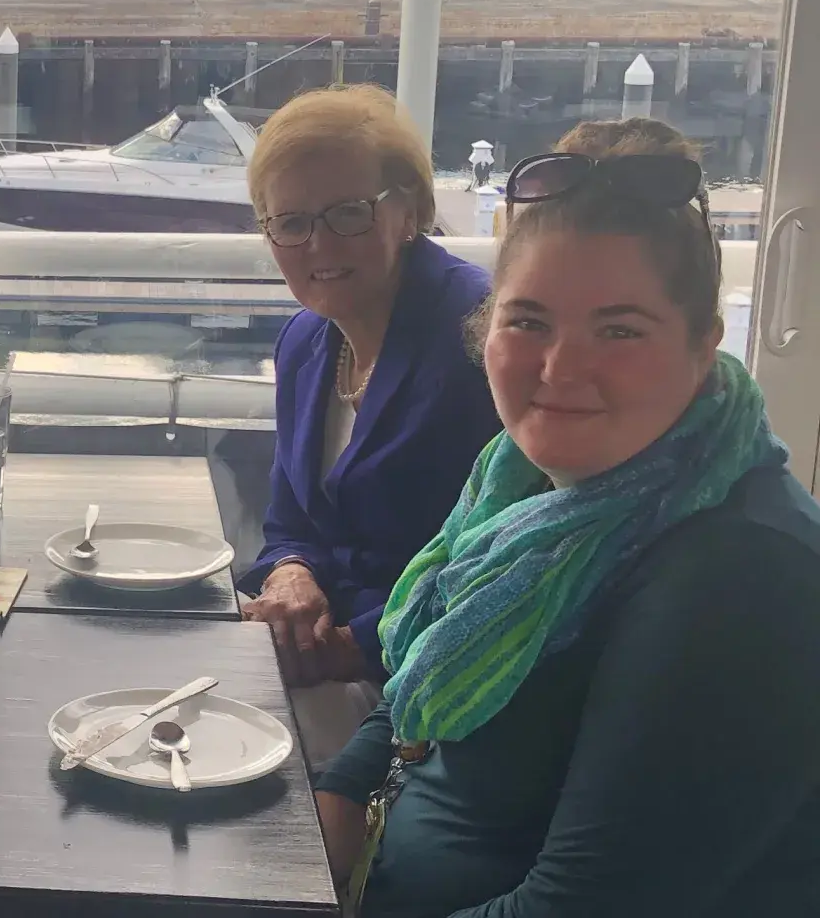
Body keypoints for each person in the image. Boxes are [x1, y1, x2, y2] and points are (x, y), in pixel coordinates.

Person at [317, 119, 820, 916]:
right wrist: (320, 819)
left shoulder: (743, 574)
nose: (561, 367)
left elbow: (583, 907)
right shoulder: (524, 484)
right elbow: (428, 679)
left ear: (704, 346)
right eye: (529, 321)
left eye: (619, 330)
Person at [235, 85, 502, 769]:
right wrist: (291, 577)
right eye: (290, 222)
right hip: (327, 664)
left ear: (409, 210)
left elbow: (496, 564)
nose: (318, 243)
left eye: (348, 214)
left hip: (436, 690)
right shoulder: (305, 341)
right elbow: (290, 521)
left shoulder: (480, 339)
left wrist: (350, 646)